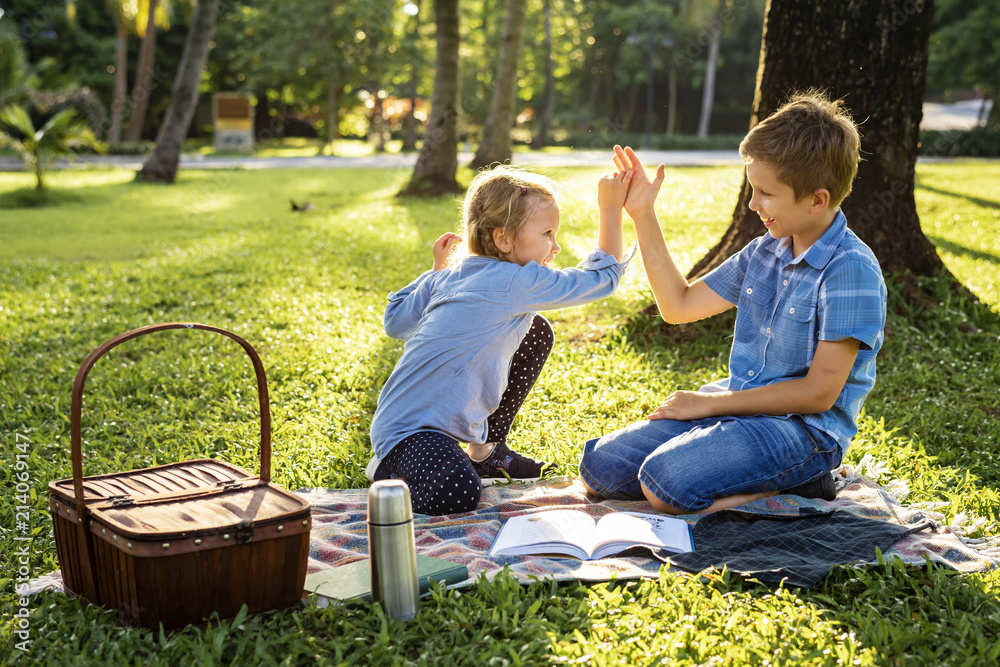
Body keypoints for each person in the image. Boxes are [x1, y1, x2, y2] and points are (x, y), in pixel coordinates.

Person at [580, 91, 887, 515]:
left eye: (765, 193)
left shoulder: (850, 269)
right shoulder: (765, 251)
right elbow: (679, 305)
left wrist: (707, 405)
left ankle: (808, 484)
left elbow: (818, 394)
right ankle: (747, 471)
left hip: (804, 433)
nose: (752, 204)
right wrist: (643, 214)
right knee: (601, 469)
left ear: (817, 199)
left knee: (663, 483)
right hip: (740, 410)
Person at [368, 164, 636, 515]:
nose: (555, 247)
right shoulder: (516, 281)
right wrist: (611, 209)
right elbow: (601, 279)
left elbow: (395, 321)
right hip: (411, 434)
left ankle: (487, 454)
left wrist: (434, 270)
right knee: (460, 492)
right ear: (504, 239)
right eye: (547, 234)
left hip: (398, 420)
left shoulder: (448, 277)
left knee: (535, 329)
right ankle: (387, 475)